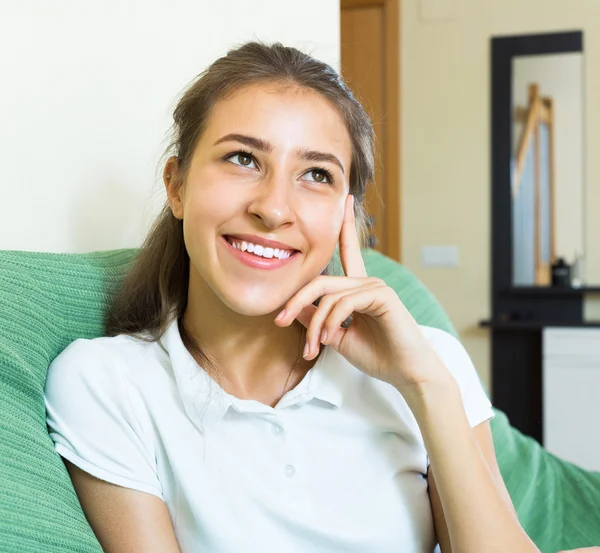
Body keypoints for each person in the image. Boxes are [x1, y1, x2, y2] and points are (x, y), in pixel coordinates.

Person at [44, 41, 568, 553]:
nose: (274, 209)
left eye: (316, 174)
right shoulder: (106, 384)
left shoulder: (429, 364)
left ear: (348, 216)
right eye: (243, 159)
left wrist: (424, 384)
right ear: (176, 186)